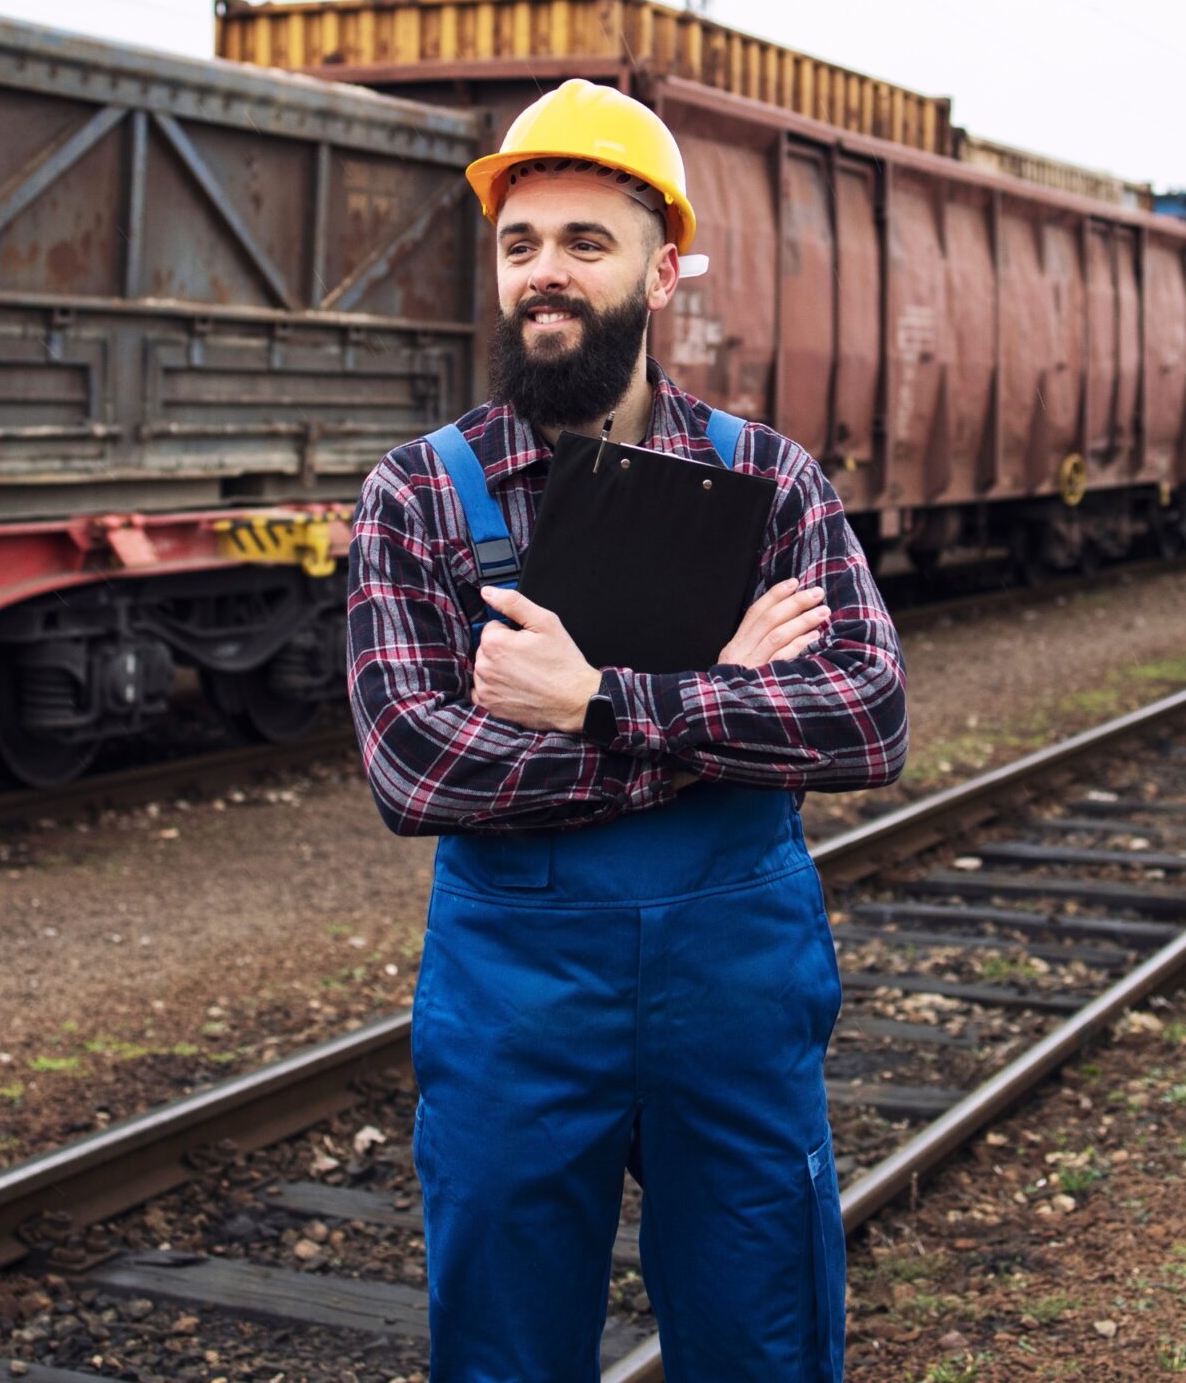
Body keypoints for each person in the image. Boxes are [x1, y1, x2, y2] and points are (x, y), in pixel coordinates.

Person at [344, 78, 909, 1382]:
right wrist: (724, 696)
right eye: (521, 244)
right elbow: (418, 764)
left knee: (766, 1342)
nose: (548, 274)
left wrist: (601, 698)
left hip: (736, 991)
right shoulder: (420, 495)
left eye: (586, 244)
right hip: (518, 1009)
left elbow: (868, 719)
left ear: (661, 273)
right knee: (506, 1356)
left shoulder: (770, 482)